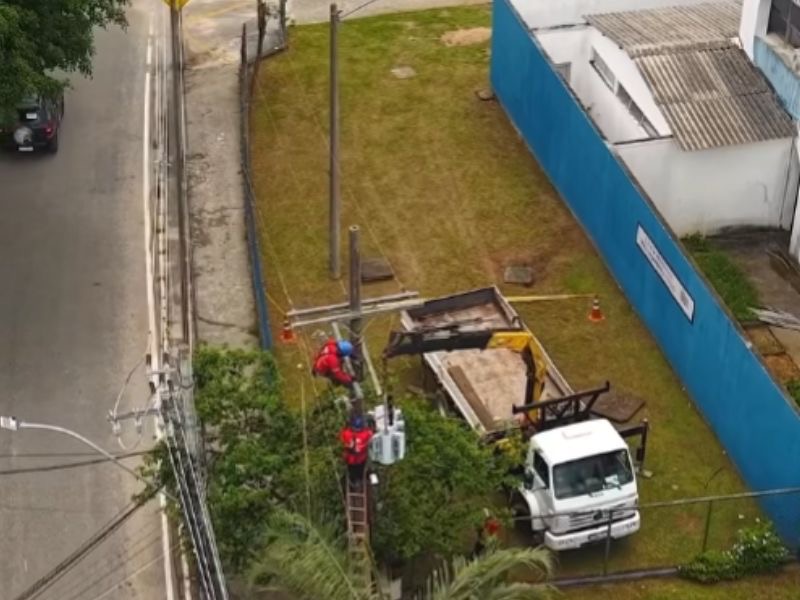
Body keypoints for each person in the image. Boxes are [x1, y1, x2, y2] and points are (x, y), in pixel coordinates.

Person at [340, 415, 373, 488]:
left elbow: (342, 437)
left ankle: (353, 481)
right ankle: (359, 479)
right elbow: (370, 435)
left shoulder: (347, 434)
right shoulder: (365, 434)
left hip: (350, 459)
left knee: (351, 471)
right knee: (360, 470)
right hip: (361, 458)